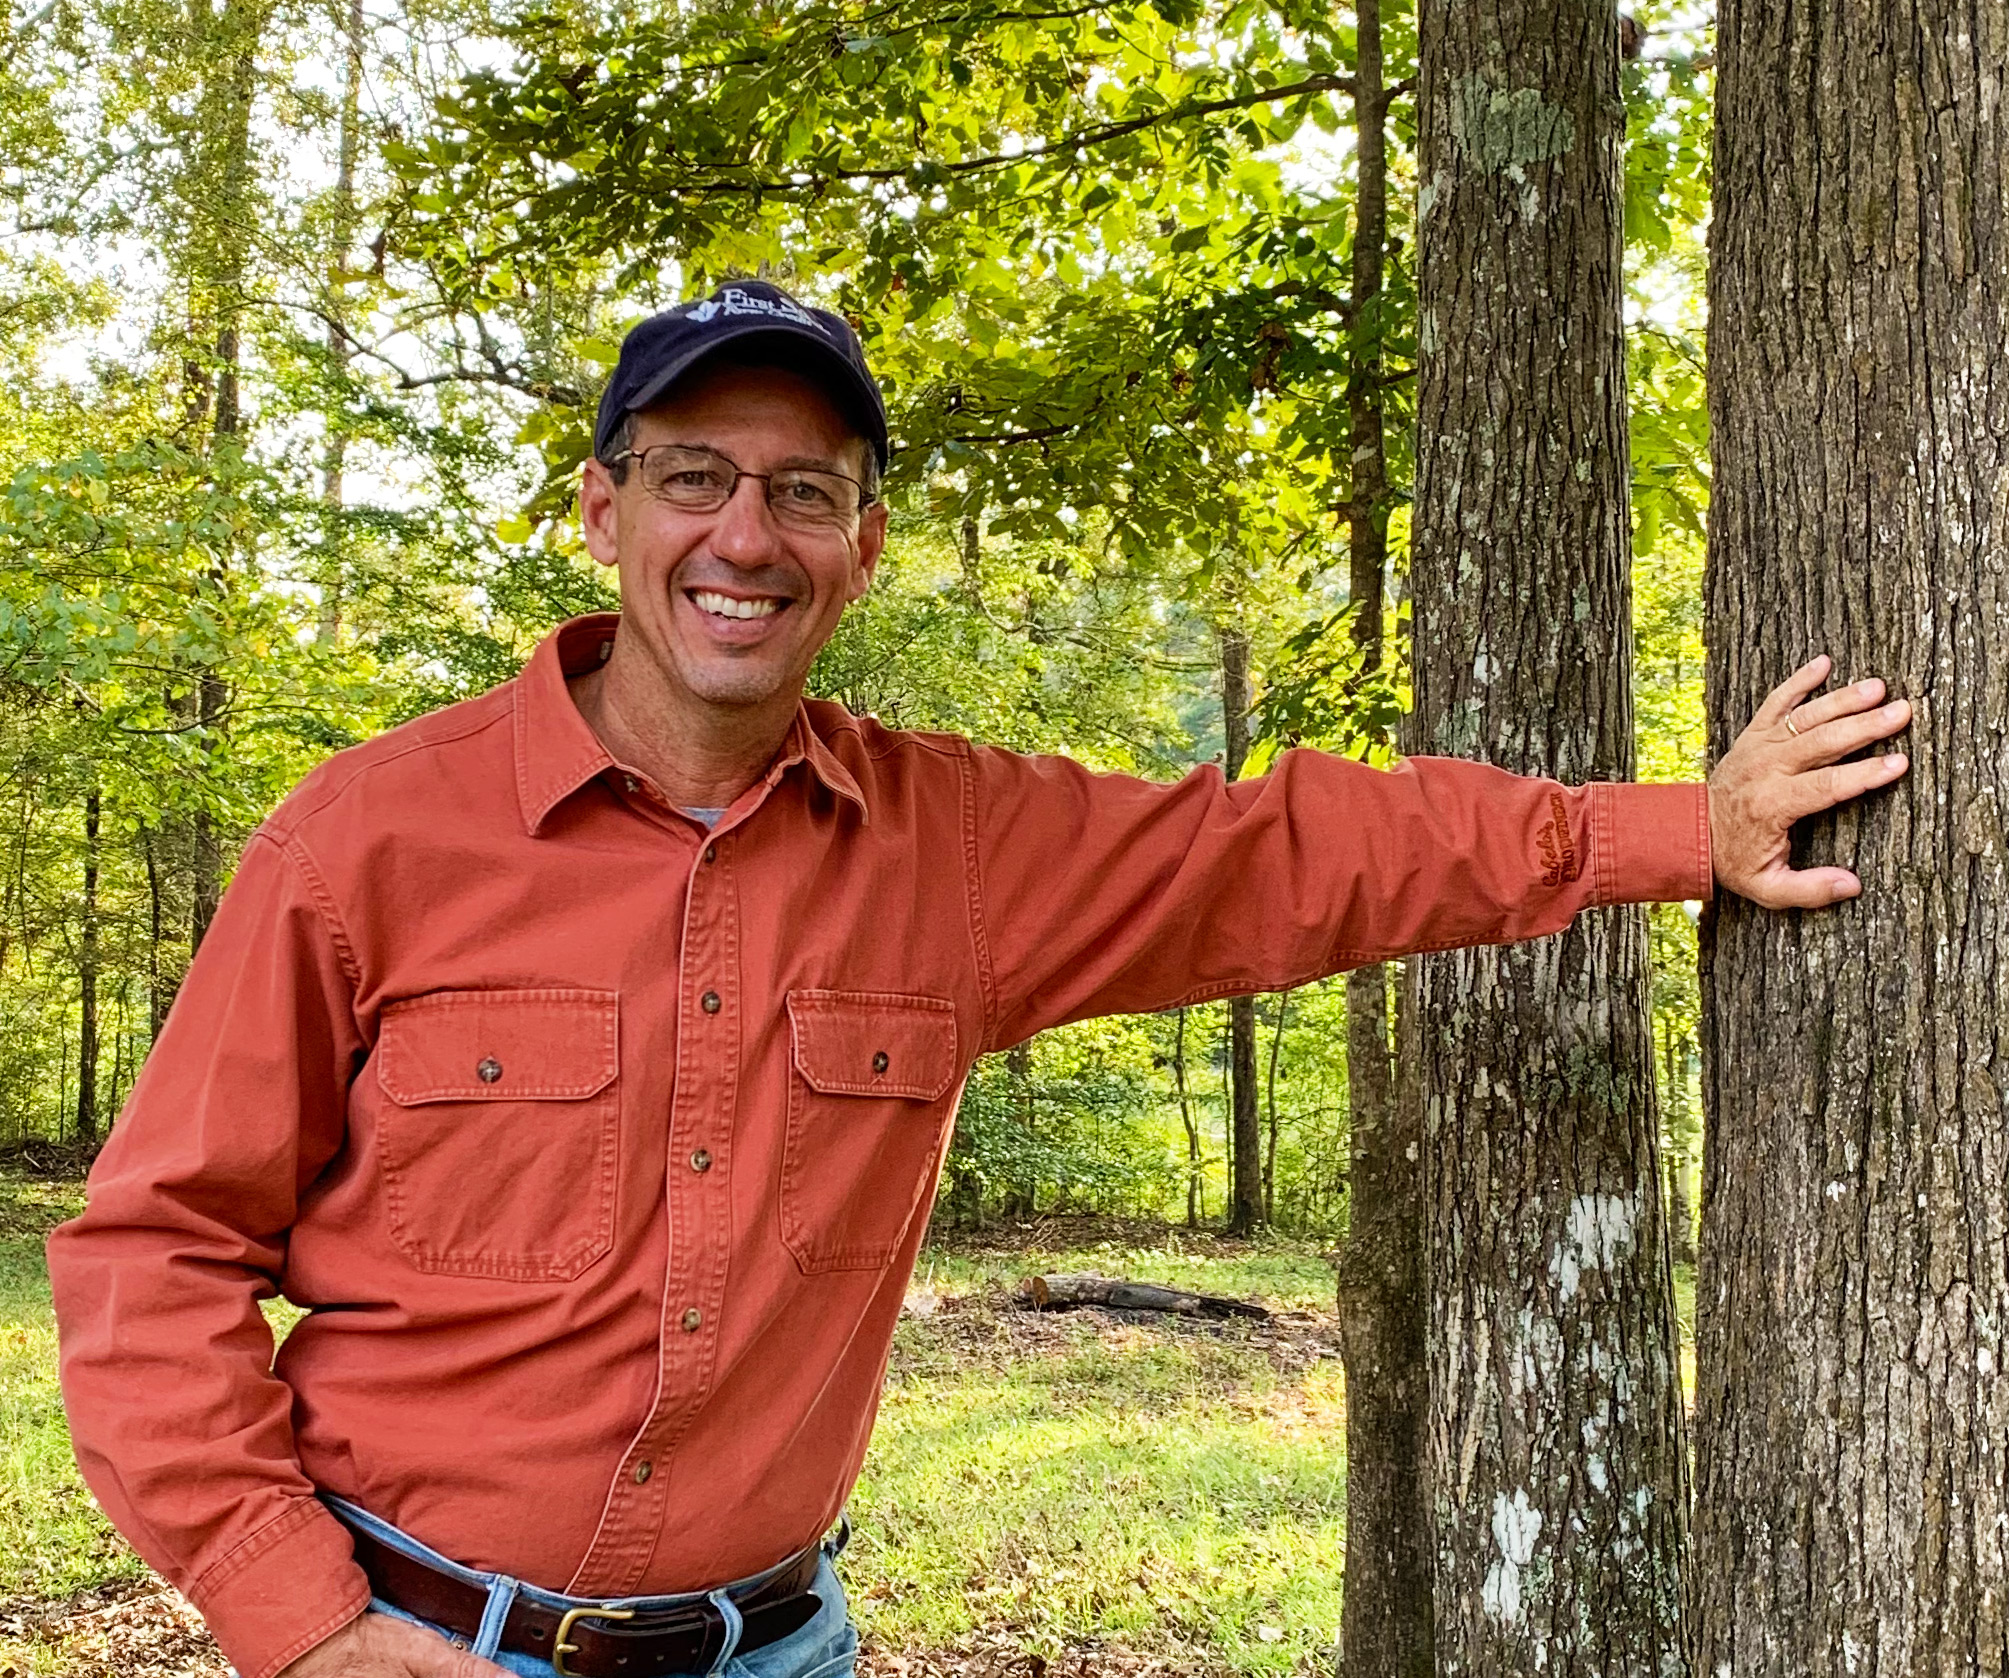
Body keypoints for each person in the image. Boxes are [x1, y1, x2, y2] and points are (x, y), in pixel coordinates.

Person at [48, 279, 1912, 1678]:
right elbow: (152, 1254)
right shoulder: (367, 841)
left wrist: (1684, 824)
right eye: (695, 477)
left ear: (859, 548)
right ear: (602, 511)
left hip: (777, 1645)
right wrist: (297, 1623)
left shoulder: (951, 849)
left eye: (806, 490)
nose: (744, 536)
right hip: (411, 1637)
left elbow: (1292, 852)